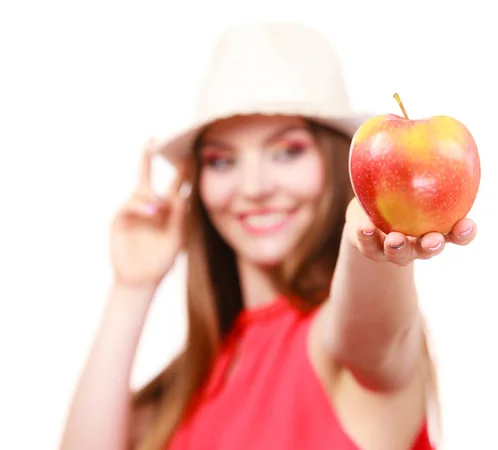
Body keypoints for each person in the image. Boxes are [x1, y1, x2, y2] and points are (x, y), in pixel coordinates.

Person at [60, 22, 477, 450]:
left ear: (338, 164)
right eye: (222, 161)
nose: (253, 186)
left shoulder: (341, 345)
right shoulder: (189, 383)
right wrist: (133, 285)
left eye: (287, 151)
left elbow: (371, 333)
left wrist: (370, 238)